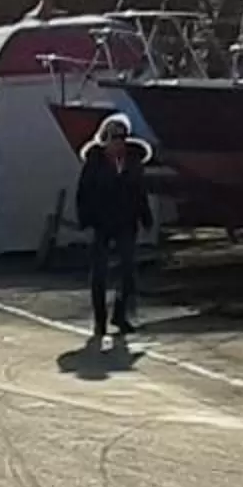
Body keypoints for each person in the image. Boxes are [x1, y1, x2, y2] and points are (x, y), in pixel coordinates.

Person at [76, 112, 154, 343]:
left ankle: (120, 316)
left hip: (126, 221)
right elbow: (84, 192)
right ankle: (100, 320)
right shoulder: (95, 162)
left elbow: (140, 191)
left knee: (128, 270)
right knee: (99, 273)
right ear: (105, 140)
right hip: (101, 222)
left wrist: (145, 216)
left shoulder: (133, 161)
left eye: (121, 138)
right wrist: (86, 220)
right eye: (113, 138)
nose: (118, 143)